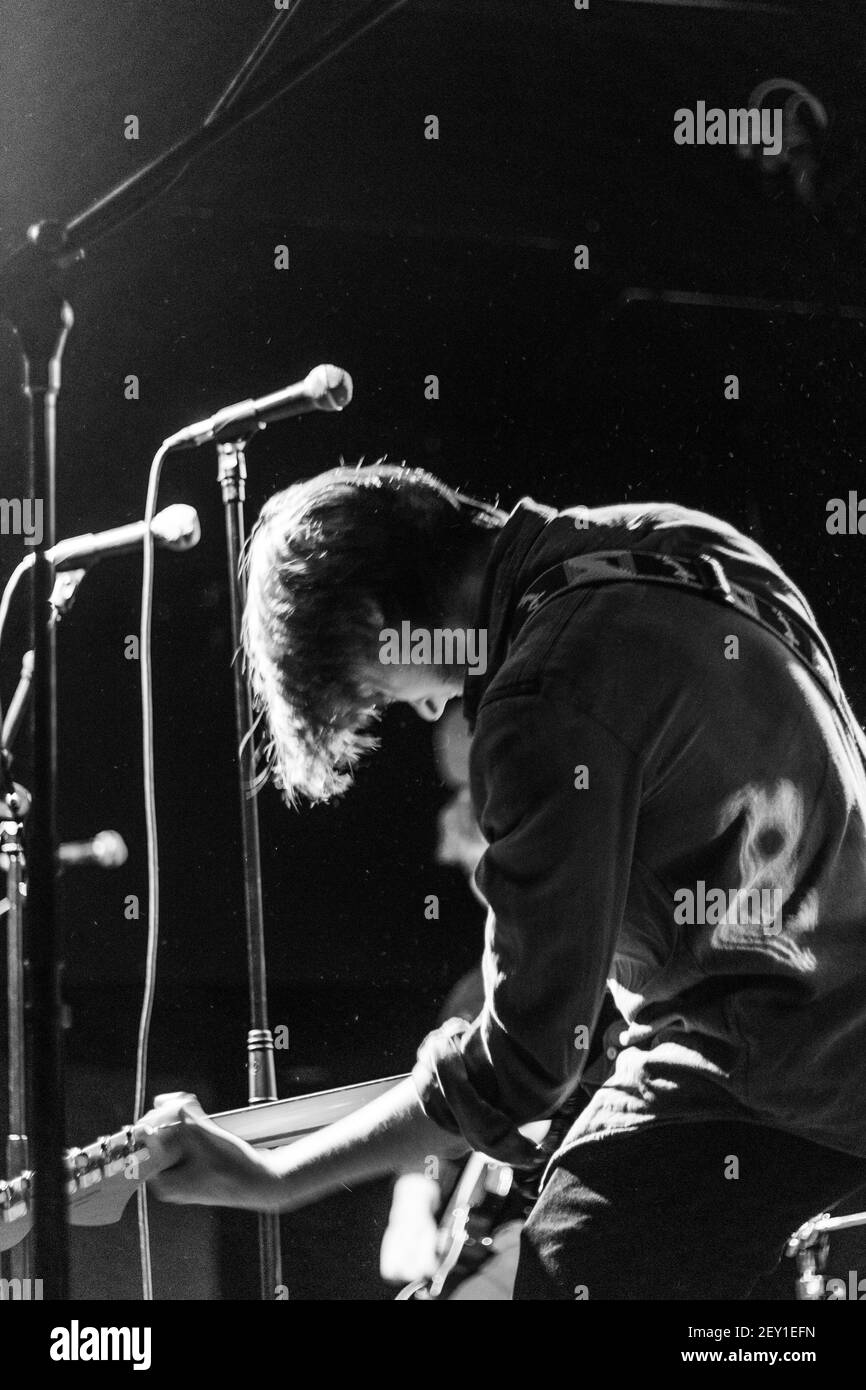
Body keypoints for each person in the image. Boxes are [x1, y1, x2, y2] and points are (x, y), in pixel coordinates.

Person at [144, 462, 866, 1300]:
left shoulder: (542, 695)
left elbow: (520, 1064)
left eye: (377, 687)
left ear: (381, 621)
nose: (419, 708)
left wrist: (272, 1179)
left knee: (578, 1250)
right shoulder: (687, 536)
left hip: (767, 1070)